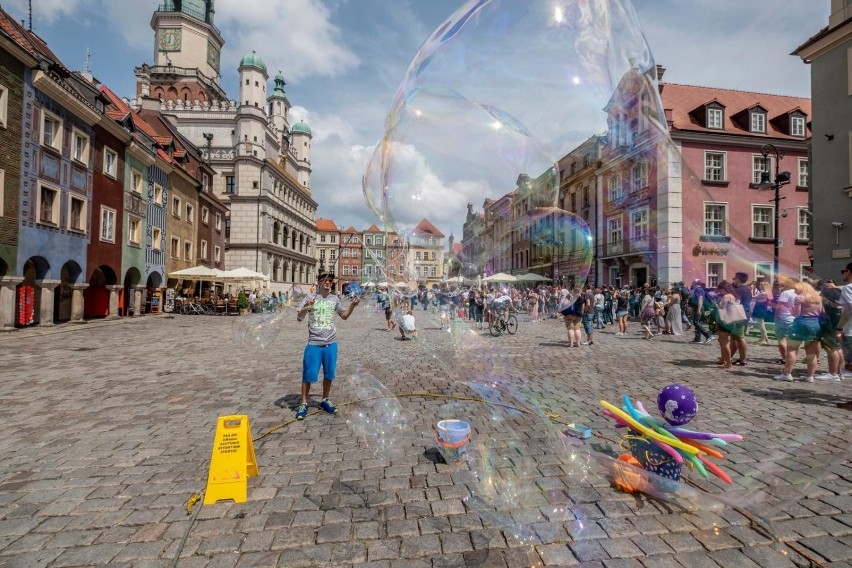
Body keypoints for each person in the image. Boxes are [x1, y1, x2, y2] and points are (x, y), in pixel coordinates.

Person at [294, 271, 359, 420]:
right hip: (314, 343)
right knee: (308, 374)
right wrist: (306, 308)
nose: (328, 282)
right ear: (319, 282)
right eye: (324, 279)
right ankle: (303, 403)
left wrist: (353, 306)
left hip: (331, 343)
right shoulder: (310, 298)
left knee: (329, 374)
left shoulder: (334, 299)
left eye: (330, 280)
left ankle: (325, 400)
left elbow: (344, 316)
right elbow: (299, 318)